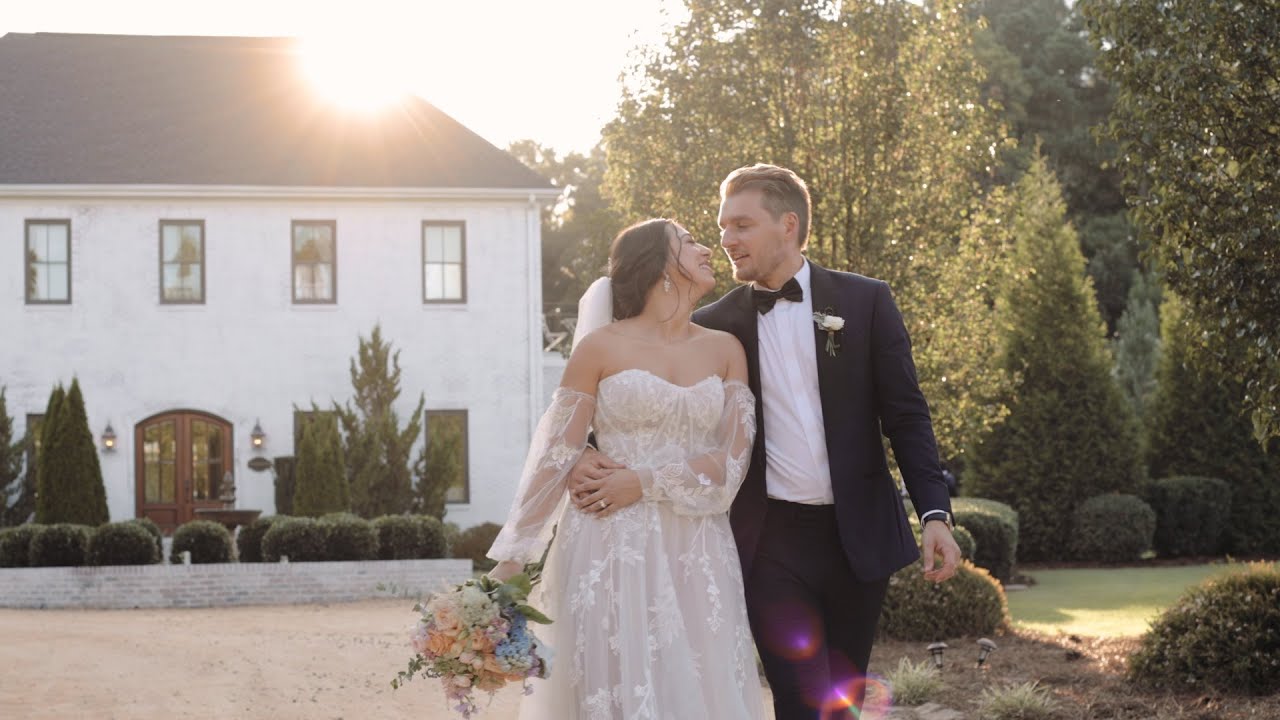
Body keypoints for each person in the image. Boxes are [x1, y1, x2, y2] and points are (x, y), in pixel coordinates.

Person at [569, 164, 961, 719]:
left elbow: (908, 416)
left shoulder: (867, 301)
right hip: (768, 540)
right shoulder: (713, 325)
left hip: (859, 536)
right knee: (801, 698)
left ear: (788, 224)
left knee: (842, 700)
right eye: (722, 227)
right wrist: (583, 453)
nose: (727, 240)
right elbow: (638, 396)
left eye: (742, 226)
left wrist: (935, 515)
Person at [486, 218, 765, 719]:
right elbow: (556, 456)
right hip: (610, 547)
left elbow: (732, 462)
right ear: (659, 266)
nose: (707, 249)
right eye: (689, 242)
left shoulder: (726, 349)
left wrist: (643, 481)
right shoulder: (600, 347)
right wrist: (510, 562)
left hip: (696, 551)